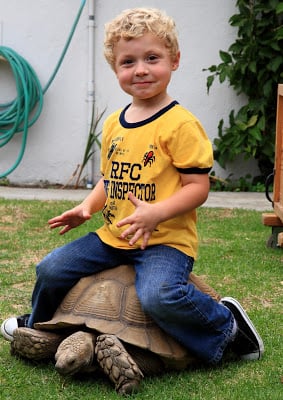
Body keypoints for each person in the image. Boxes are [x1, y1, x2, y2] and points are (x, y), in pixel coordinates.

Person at [1, 8, 263, 364]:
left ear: (175, 60)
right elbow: (111, 179)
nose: (140, 69)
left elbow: (198, 188)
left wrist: (156, 212)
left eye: (152, 58)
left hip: (165, 241)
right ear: (116, 69)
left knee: (159, 296)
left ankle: (227, 327)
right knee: (50, 268)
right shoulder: (114, 123)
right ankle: (41, 324)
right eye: (128, 62)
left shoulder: (181, 125)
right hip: (114, 237)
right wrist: (87, 207)